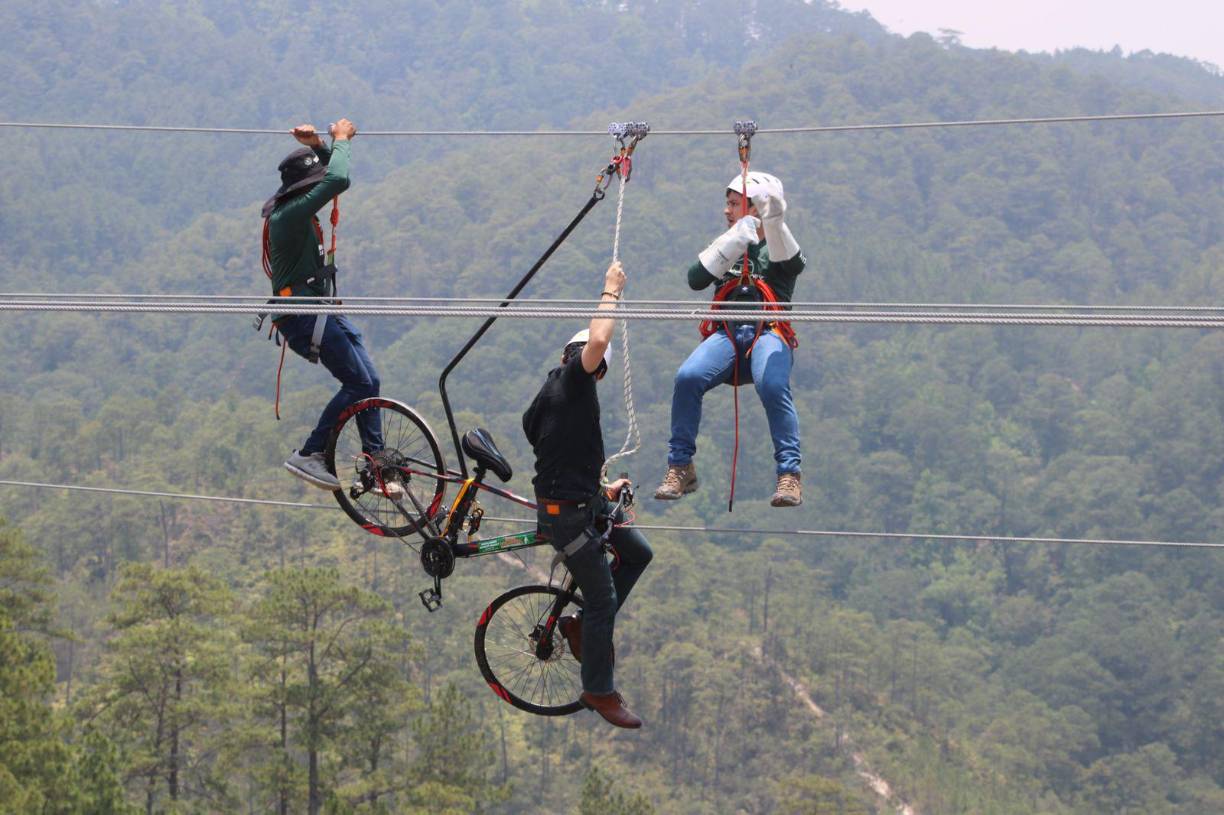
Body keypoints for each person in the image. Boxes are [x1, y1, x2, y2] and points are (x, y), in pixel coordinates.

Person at [522, 260, 653, 729]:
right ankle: (598, 689)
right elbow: (598, 341)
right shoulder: (574, 382)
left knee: (637, 553)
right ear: (585, 365)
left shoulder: (551, 397)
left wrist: (603, 487)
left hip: (583, 500)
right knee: (601, 600)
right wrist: (610, 290)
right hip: (570, 518)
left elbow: (562, 458)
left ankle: (581, 628)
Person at [654, 171, 806, 507]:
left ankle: (789, 474)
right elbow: (696, 278)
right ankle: (680, 466)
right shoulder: (727, 245)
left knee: (773, 385)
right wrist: (734, 240)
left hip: (768, 334)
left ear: (756, 208)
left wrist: (775, 221)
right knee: (688, 377)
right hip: (727, 335)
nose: (727, 210)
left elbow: (793, 264)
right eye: (728, 203)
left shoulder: (776, 249)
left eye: (734, 204)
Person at [262, 119, 384, 491]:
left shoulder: (298, 211)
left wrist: (319, 145)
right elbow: (339, 180)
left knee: (370, 381)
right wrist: (341, 140)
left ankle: (376, 464)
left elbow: (332, 177)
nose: (319, 192)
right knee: (357, 381)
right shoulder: (290, 215)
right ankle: (310, 453)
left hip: (320, 309)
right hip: (302, 315)